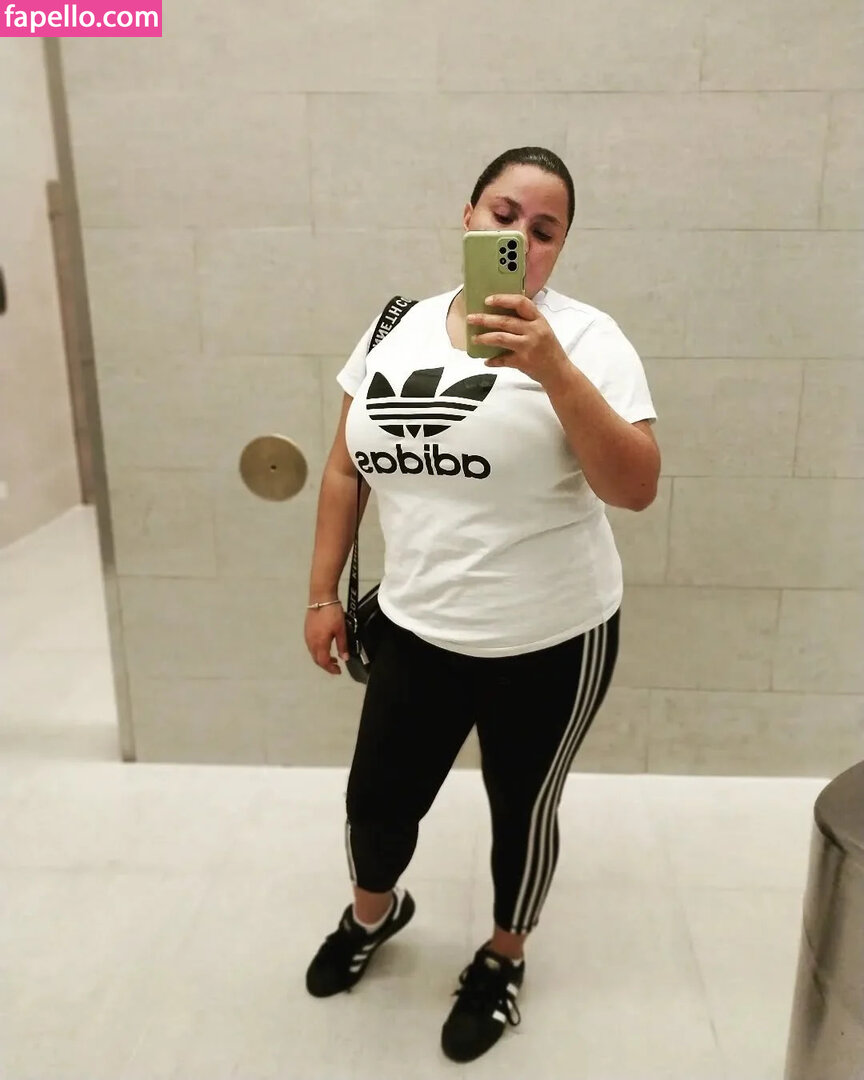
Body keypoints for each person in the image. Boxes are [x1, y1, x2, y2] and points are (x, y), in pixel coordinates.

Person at [303, 146, 660, 1063]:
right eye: (504, 216)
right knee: (376, 800)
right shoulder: (394, 327)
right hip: (417, 623)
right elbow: (345, 467)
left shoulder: (589, 340)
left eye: (544, 230)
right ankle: (373, 914)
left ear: (560, 248)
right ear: (467, 216)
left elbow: (635, 487)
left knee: (522, 811)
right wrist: (321, 593)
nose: (519, 239)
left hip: (554, 636)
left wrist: (553, 370)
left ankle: (504, 957)